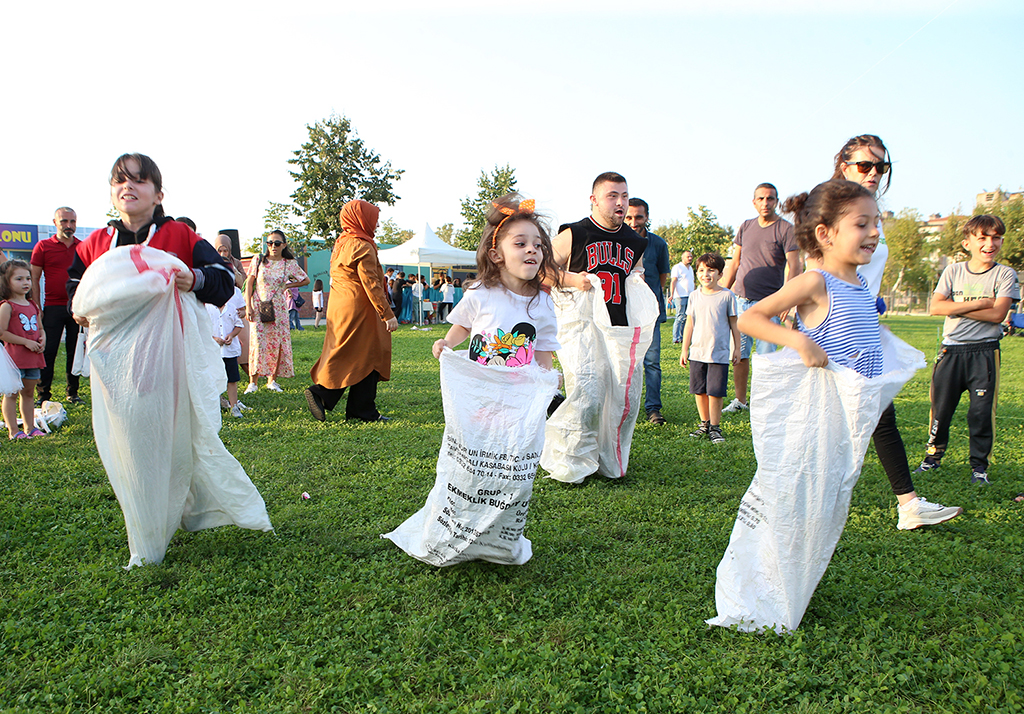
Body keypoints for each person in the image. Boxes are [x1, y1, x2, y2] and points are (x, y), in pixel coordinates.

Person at [67, 153, 271, 567]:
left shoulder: (178, 235)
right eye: (120, 180)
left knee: (177, 438)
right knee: (131, 446)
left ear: (158, 193)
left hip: (171, 362)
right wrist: (79, 306)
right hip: (118, 370)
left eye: (140, 181)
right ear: (112, 192)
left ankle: (187, 507)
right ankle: (145, 526)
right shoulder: (97, 243)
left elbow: (223, 281)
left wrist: (193, 278)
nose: (129, 186)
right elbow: (77, 284)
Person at [739, 179, 961, 530]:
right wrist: (799, 342)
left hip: (861, 388)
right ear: (826, 234)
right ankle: (781, 527)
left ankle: (909, 505)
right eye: (862, 224)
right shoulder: (815, 281)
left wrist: (880, 337)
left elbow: (855, 327)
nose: (874, 232)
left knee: (881, 429)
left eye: (876, 222)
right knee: (810, 474)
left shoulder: (859, 283)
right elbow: (750, 318)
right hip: (826, 402)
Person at [827, 134, 960, 528]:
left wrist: (872, 300)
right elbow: (815, 272)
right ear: (843, 166)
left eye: (881, 167)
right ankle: (798, 504)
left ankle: (908, 505)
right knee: (836, 420)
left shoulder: (871, 211)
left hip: (863, 325)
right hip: (834, 328)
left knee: (878, 414)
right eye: (864, 165)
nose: (873, 173)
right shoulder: (831, 208)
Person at [542, 172, 654, 484]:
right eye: (612, 196)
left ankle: (607, 460)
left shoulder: (635, 241)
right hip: (579, 324)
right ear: (594, 200)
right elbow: (539, 269)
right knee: (588, 390)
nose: (620, 203)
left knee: (622, 396)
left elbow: (635, 276)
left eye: (624, 196)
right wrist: (571, 279)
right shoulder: (574, 233)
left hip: (619, 327)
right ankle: (571, 461)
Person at [914, 214, 1018, 485]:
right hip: (951, 351)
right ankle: (932, 459)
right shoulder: (953, 271)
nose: (989, 243)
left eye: (995, 237)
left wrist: (957, 308)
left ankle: (979, 468)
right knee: (941, 409)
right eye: (982, 238)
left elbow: (998, 315)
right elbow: (936, 307)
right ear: (967, 243)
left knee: (981, 413)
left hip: (984, 352)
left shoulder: (1005, 274)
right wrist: (980, 303)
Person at [433, 194, 560, 369]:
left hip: (521, 390)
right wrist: (447, 342)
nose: (532, 249)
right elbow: (463, 325)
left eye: (538, 245)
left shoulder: (542, 301)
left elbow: (543, 347)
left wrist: (547, 379)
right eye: (520, 244)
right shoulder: (480, 292)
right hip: (483, 387)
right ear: (496, 255)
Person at [305, 200, 397, 422]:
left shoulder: (342, 243)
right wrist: (387, 314)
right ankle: (327, 396)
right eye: (373, 219)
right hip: (361, 307)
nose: (375, 225)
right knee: (369, 354)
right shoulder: (362, 246)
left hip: (339, 307)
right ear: (361, 218)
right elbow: (371, 284)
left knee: (352, 353)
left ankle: (355, 408)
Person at [721, 183, 801, 413]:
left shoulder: (786, 229)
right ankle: (740, 401)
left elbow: (794, 266)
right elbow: (734, 262)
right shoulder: (746, 227)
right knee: (739, 354)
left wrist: (787, 299)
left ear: (776, 201)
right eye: (761, 198)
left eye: (770, 199)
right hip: (741, 302)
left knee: (767, 359)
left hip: (769, 305)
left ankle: (765, 404)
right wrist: (724, 292)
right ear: (754, 202)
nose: (765, 203)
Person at [680, 252, 740, 444]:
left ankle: (715, 427)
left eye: (711, 270)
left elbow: (734, 324)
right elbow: (689, 323)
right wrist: (684, 349)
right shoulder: (694, 296)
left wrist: (737, 348)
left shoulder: (727, 296)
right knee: (699, 390)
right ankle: (704, 424)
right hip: (697, 352)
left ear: (720, 274)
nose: (706, 274)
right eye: (701, 270)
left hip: (718, 353)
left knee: (715, 391)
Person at [244, 230, 309, 393]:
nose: (273, 246)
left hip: (279, 308)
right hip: (259, 306)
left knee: (276, 343)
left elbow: (305, 279)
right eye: (270, 242)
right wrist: (248, 306)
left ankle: (272, 380)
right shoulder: (258, 260)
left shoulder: (289, 263)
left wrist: (288, 286)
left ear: (284, 245)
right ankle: (253, 381)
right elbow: (249, 283)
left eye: (277, 243)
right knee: (258, 343)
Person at [30, 207, 82, 406]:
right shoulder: (43, 246)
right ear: (55, 222)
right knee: (48, 351)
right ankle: (43, 395)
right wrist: (36, 307)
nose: (69, 226)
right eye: (64, 221)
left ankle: (73, 393)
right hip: (51, 307)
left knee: (74, 350)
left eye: (72, 222)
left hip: (77, 308)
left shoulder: (83, 246)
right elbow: (34, 278)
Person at [625, 197, 671, 425]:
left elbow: (662, 276)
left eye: (639, 217)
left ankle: (653, 408)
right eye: (629, 217)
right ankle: (626, 407)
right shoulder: (618, 242)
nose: (634, 222)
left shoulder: (658, 244)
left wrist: (649, 301)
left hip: (650, 314)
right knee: (625, 363)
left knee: (651, 362)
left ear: (647, 217)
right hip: (622, 313)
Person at [1, 260, 46, 439]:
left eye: (27, 278)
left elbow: (40, 328)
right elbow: (2, 332)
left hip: (33, 358)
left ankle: (30, 427)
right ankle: (13, 430)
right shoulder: (6, 306)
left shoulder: (33, 305)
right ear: (7, 281)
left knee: (28, 393)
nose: (26, 282)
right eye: (19, 279)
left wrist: (43, 339)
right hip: (13, 359)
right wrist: (25, 342)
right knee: (11, 394)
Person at [208, 284, 246, 418]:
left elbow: (239, 325)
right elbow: (201, 328)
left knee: (232, 379)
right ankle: (214, 407)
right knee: (213, 378)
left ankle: (234, 406)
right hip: (213, 351)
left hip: (229, 351)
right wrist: (214, 338)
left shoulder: (231, 308)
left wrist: (232, 335)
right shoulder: (207, 308)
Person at [670, 250, 694, 344]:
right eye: (688, 256)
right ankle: (675, 338)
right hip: (680, 296)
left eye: (691, 256)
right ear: (683, 258)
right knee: (679, 317)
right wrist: (671, 294)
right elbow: (673, 281)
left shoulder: (690, 268)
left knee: (686, 317)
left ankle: (683, 337)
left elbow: (692, 281)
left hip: (690, 295)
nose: (690, 258)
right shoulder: (677, 267)